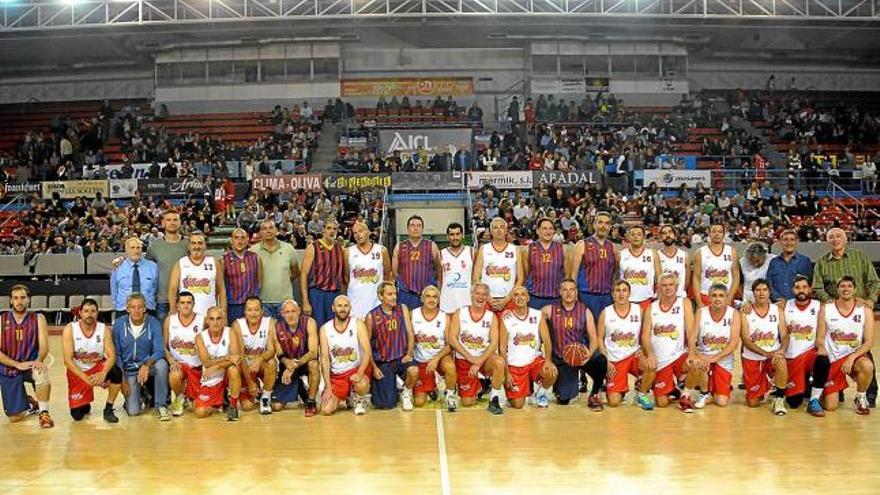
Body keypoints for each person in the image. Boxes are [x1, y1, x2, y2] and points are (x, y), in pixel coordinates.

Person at [812, 227, 879, 406]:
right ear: (827, 241)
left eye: (838, 236)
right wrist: (832, 304)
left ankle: (867, 395)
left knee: (864, 352)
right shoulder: (821, 262)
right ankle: (836, 389)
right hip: (835, 314)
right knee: (834, 348)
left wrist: (870, 300)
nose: (835, 239)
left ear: (846, 238)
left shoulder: (860, 257)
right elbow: (818, 287)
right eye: (831, 237)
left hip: (858, 311)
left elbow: (874, 281)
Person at [542, 279, 607, 410]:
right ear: (560, 292)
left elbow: (593, 338)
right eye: (565, 290)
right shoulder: (548, 310)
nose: (568, 293)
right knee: (564, 400)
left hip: (580, 356)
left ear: (576, 292)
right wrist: (547, 358)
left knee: (601, 361)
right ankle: (561, 386)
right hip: (562, 359)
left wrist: (588, 355)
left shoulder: (585, 311)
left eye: (572, 289)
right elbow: (535, 321)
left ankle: (594, 393)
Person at [816, 276, 875, 415]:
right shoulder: (826, 309)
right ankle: (821, 390)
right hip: (833, 359)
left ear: (855, 290)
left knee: (867, 365)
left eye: (849, 286)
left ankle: (860, 396)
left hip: (852, 358)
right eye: (842, 286)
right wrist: (821, 348)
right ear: (837, 289)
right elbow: (819, 337)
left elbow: (869, 342)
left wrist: (852, 357)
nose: (846, 289)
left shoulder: (865, 310)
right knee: (830, 407)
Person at [447, 283, 507, 414]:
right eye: (478, 294)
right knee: (468, 402)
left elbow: (494, 343)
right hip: (464, 358)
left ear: (488, 297)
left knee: (500, 362)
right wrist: (471, 358)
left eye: (484, 294)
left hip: (483, 358)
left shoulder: (491, 316)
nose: (481, 297)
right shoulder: (460, 312)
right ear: (471, 295)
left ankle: (494, 399)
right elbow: (452, 339)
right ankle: (481, 384)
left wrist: (478, 361)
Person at [680, 284, 740, 413]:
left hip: (722, 359)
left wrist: (713, 358)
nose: (717, 299)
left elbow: (733, 344)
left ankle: (711, 389)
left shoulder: (734, 314)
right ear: (709, 298)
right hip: (703, 355)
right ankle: (691, 394)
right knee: (697, 363)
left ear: (726, 298)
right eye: (714, 295)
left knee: (721, 402)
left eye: (721, 296)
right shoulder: (701, 312)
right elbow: (692, 337)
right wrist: (694, 354)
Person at [0, 285, 54, 427]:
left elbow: (44, 347)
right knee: (14, 417)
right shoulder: (1, 320)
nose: (19, 301)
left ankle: (44, 413)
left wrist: (38, 360)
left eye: (23, 298)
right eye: (16, 298)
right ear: (11, 301)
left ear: (28, 300)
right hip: (9, 367)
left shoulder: (38, 318)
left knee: (41, 373)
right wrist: (16, 364)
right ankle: (29, 402)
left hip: (30, 364)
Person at [62, 297, 121, 423]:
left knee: (116, 372)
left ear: (97, 313)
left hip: (97, 367)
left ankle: (109, 408)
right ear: (80, 313)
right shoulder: (70, 329)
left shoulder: (103, 328)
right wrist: (86, 379)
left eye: (93, 311)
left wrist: (103, 373)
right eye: (86, 311)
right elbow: (67, 361)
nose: (89, 314)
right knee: (77, 415)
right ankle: (85, 402)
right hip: (78, 371)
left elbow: (111, 356)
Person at [597, 280, 654, 410]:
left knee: (651, 366)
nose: (621, 294)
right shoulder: (605, 313)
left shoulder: (638, 310)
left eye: (624, 290)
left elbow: (646, 334)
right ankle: (620, 389)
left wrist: (644, 350)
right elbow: (600, 338)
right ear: (612, 294)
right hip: (615, 360)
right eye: (617, 291)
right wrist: (606, 361)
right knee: (614, 402)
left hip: (634, 356)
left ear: (629, 293)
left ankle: (642, 393)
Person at [112, 293, 170, 420]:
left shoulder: (154, 323)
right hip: (129, 370)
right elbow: (116, 355)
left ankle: (161, 405)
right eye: (133, 307)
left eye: (140, 307)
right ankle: (142, 394)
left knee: (162, 365)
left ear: (145, 308)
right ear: (127, 309)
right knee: (133, 411)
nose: (136, 310)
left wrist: (146, 364)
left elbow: (159, 350)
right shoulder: (118, 325)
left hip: (148, 366)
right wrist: (123, 380)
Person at [500, 286, 558, 409]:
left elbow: (547, 340)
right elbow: (502, 348)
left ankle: (541, 393)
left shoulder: (537, 315)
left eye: (522, 294)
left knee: (551, 372)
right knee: (518, 405)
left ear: (528, 298)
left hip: (533, 361)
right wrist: (506, 372)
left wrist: (548, 361)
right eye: (515, 295)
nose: (519, 297)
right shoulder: (506, 319)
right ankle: (515, 394)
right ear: (512, 299)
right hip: (514, 365)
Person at [641, 272, 693, 408]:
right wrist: (651, 355)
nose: (667, 288)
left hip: (678, 355)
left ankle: (685, 394)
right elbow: (645, 335)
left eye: (671, 285)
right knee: (662, 403)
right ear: (658, 288)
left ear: (677, 287)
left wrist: (693, 352)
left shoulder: (684, 303)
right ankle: (672, 389)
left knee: (696, 364)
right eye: (664, 285)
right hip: (660, 360)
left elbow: (691, 330)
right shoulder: (651, 307)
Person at [366, 282, 418, 411]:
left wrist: (409, 354)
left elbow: (410, 333)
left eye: (395, 293)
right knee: (387, 405)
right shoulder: (372, 316)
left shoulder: (403, 308)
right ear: (380, 296)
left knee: (414, 370)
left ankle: (406, 392)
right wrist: (373, 367)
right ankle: (392, 386)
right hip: (384, 361)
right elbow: (367, 347)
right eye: (389, 294)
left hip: (401, 358)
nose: (394, 297)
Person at [740, 279, 789, 415]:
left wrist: (782, 351)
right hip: (753, 358)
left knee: (781, 361)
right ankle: (762, 385)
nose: (761, 293)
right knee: (753, 404)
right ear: (753, 293)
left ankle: (779, 399)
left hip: (772, 356)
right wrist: (765, 353)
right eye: (758, 290)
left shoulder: (777, 310)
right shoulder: (745, 312)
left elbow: (784, 335)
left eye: (765, 290)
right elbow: (745, 339)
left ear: (769, 292)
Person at [319, 295, 372, 416]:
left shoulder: (358, 324)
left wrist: (359, 374)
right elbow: (325, 359)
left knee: (362, 384)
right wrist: (327, 386)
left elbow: (367, 351)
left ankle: (358, 399)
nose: (343, 309)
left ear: (350, 308)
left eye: (346, 306)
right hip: (337, 376)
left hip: (355, 370)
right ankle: (346, 397)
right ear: (333, 308)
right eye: (339, 306)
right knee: (325, 410)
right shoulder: (324, 329)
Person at [782, 275, 827, 415]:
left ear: (810, 289)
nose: (801, 290)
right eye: (797, 287)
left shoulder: (820, 306)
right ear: (792, 290)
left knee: (823, 360)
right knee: (794, 403)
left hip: (810, 353)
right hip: (792, 357)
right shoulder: (784, 306)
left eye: (804, 287)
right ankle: (805, 386)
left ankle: (814, 399)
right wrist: (747, 305)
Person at [411, 285, 458, 411]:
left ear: (439, 299)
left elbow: (449, 346)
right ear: (422, 299)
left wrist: (436, 358)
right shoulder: (413, 314)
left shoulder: (445, 317)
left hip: (440, 356)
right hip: (421, 359)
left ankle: (450, 394)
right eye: (428, 296)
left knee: (450, 366)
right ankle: (432, 388)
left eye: (435, 297)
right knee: (419, 402)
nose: (431, 299)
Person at [270, 299, 319, 416]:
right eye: (287, 312)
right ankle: (300, 387)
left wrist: (295, 365)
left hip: (304, 362)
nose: (290, 315)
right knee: (276, 406)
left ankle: (311, 401)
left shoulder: (309, 322)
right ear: (282, 314)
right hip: (288, 366)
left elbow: (313, 353)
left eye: (293, 311)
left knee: (314, 365)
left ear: (299, 311)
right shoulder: (276, 327)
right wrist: (288, 363)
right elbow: (280, 354)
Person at [194, 306, 242, 421]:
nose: (215, 322)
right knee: (200, 412)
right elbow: (206, 363)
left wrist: (217, 365)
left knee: (233, 370)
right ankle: (219, 403)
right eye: (212, 319)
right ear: (207, 320)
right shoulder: (200, 337)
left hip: (226, 375)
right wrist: (227, 357)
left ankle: (233, 406)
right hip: (212, 378)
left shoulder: (230, 332)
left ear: (224, 319)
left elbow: (236, 358)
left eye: (219, 318)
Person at [231, 297, 276, 414]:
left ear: (262, 311)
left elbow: (271, 350)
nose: (253, 313)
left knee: (272, 363)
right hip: (244, 367)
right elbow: (240, 356)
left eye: (256, 310)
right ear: (245, 312)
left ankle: (265, 397)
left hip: (260, 365)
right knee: (247, 407)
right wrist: (250, 382)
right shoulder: (237, 325)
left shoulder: (270, 323)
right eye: (249, 310)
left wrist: (259, 359)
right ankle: (252, 388)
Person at [569, 212, 617, 320]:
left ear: (610, 227)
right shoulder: (582, 244)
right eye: (600, 222)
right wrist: (574, 295)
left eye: (606, 223)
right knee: (586, 331)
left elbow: (614, 273)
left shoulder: (612, 247)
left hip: (606, 296)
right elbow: (573, 274)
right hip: (586, 296)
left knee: (604, 332)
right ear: (594, 224)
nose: (603, 226)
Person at [250, 219, 300, 320]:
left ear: (276, 230)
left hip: (285, 302)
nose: (268, 231)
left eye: (271, 228)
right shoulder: (253, 251)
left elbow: (295, 272)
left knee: (286, 334)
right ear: (260, 233)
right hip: (263, 302)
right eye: (264, 229)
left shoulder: (288, 248)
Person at [164, 291, 204, 417]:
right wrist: (170, 360)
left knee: (196, 408)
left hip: (197, 367)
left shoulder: (202, 320)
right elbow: (163, 346)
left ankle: (189, 397)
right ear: (177, 305)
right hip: (179, 364)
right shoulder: (170, 321)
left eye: (189, 303)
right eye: (182, 303)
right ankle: (179, 397)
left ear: (193, 304)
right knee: (174, 375)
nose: (186, 305)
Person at [473, 217, 524, 315]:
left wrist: (506, 300)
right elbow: (476, 278)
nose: (499, 230)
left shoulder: (515, 250)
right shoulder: (483, 249)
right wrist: (488, 298)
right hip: (486, 300)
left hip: (508, 300)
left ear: (506, 230)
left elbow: (520, 279)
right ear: (491, 231)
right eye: (495, 228)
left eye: (501, 227)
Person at [145, 209, 189, 322]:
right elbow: (144, 268)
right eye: (168, 220)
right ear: (163, 223)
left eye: (175, 220)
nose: (172, 222)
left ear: (180, 222)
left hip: (187, 299)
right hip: (163, 300)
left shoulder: (189, 244)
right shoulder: (154, 246)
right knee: (164, 337)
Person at [168, 232, 226, 317]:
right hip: (187, 316)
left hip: (210, 317)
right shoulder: (180, 263)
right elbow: (172, 289)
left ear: (205, 245)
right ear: (189, 246)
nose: (196, 246)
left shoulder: (214, 262)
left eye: (200, 243)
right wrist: (172, 310)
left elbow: (221, 290)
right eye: (193, 243)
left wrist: (223, 311)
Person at [300, 220, 345, 326]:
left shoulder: (341, 249)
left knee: (334, 326)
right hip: (317, 293)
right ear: (323, 231)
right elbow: (303, 274)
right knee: (317, 326)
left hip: (334, 293)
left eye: (335, 229)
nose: (332, 231)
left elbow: (343, 276)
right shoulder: (313, 247)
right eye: (329, 228)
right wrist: (305, 301)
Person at [392, 215, 441, 310]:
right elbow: (394, 272)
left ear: (422, 229)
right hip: (405, 294)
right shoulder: (400, 247)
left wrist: (436, 287)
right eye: (412, 225)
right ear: (407, 229)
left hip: (426, 294)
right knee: (406, 322)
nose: (415, 228)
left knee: (427, 321)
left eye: (418, 225)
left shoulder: (431, 246)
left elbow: (438, 269)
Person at [345, 221, 391, 320]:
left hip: (377, 303)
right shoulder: (348, 252)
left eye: (360, 231)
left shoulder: (381, 251)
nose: (358, 235)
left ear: (368, 232)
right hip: (355, 303)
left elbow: (388, 277)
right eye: (355, 233)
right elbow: (345, 279)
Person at [692, 222, 740, 307]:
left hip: (726, 296)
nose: (717, 234)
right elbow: (696, 277)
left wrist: (730, 297)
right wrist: (699, 301)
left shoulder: (732, 251)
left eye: (720, 232)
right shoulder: (700, 252)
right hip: (706, 296)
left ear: (724, 234)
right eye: (714, 231)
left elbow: (736, 277)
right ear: (709, 233)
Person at [524, 217, 567, 310]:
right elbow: (525, 274)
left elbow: (567, 274)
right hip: (535, 298)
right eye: (544, 228)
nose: (548, 231)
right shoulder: (529, 249)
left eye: (551, 228)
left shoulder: (562, 248)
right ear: (537, 231)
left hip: (556, 298)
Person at [111, 237, 159, 319]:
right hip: (123, 310)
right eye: (132, 248)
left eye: (138, 248)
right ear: (126, 250)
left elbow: (157, 289)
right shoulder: (118, 267)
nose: (136, 251)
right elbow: (114, 291)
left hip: (147, 310)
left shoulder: (153, 266)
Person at [221, 228, 262, 323]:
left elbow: (259, 283)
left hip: (252, 306)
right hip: (233, 306)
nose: (240, 241)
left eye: (243, 238)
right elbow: (221, 287)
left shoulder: (255, 257)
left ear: (247, 240)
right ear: (231, 240)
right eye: (236, 238)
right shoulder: (224, 260)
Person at [617, 225, 660, 308]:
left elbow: (659, 278)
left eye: (639, 234)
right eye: (633, 234)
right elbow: (615, 277)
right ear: (628, 237)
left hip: (647, 300)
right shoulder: (621, 255)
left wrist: (657, 295)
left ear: (644, 237)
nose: (636, 237)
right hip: (626, 301)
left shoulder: (652, 254)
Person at [766, 229, 813, 303]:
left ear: (796, 242)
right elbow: (768, 283)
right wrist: (778, 298)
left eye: (792, 239)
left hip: (798, 304)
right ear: (781, 242)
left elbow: (810, 285)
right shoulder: (773, 262)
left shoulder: (805, 261)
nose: (789, 243)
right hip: (777, 304)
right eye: (785, 240)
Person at [439, 222, 474, 315]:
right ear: (447, 237)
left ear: (462, 235)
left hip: (467, 301)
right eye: (452, 234)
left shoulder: (471, 252)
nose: (455, 237)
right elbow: (439, 279)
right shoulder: (441, 254)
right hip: (447, 303)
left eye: (458, 234)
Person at [657, 224, 690, 299]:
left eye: (670, 232)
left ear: (675, 236)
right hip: (662, 298)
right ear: (661, 237)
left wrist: (680, 291)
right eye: (664, 233)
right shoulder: (656, 256)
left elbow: (687, 280)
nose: (667, 235)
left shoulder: (684, 255)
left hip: (680, 297)